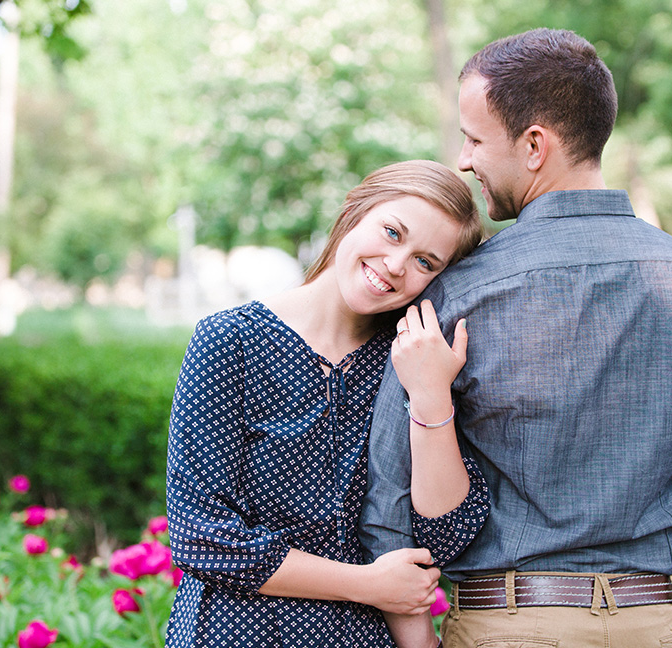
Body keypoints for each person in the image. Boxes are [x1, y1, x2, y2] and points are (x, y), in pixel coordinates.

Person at [360, 28, 672, 648]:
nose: (464, 160)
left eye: (474, 138)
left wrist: (416, 640)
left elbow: (390, 493)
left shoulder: (458, 294)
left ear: (534, 145)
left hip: (508, 625)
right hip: (658, 624)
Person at [165, 160, 489, 647]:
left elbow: (444, 537)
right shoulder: (229, 340)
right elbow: (201, 536)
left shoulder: (409, 360)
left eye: (426, 261)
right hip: (234, 633)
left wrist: (429, 395)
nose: (397, 264)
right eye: (392, 232)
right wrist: (367, 585)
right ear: (353, 212)